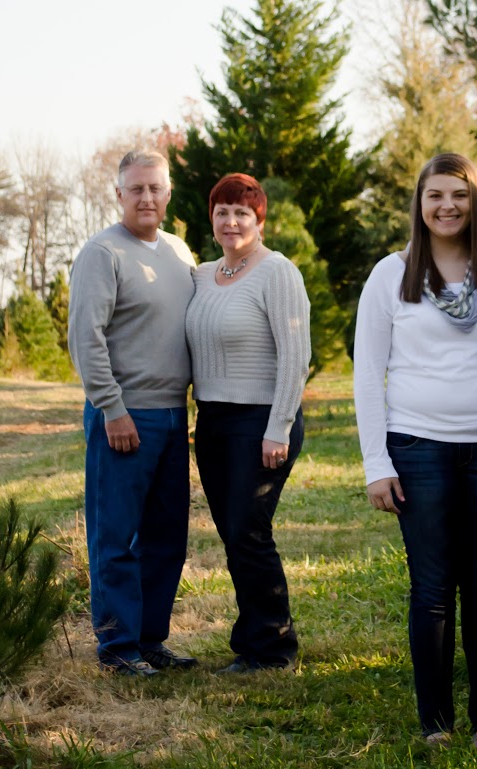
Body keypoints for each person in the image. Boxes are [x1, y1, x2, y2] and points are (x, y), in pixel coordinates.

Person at [353, 153, 477, 748]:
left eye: (459, 195)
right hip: (418, 447)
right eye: (435, 196)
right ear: (420, 204)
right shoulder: (392, 275)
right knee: (430, 589)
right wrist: (377, 464)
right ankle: (436, 724)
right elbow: (367, 373)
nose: (447, 206)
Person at [67, 150, 197, 676]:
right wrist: (111, 407)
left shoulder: (179, 252)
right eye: (136, 188)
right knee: (116, 537)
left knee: (166, 538)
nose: (146, 197)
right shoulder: (102, 253)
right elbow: (86, 338)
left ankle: (150, 639)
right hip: (124, 416)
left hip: (173, 416)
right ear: (118, 194)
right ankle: (118, 648)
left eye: (155, 188)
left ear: (168, 194)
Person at [186, 174, 311, 672]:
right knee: (233, 534)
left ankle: (273, 647)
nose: (231, 221)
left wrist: (278, 426)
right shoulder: (201, 275)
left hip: (261, 421)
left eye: (242, 213)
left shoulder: (277, 272)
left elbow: (296, 355)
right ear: (212, 219)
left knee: (248, 531)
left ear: (259, 220)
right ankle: (254, 639)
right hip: (212, 420)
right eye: (222, 212)